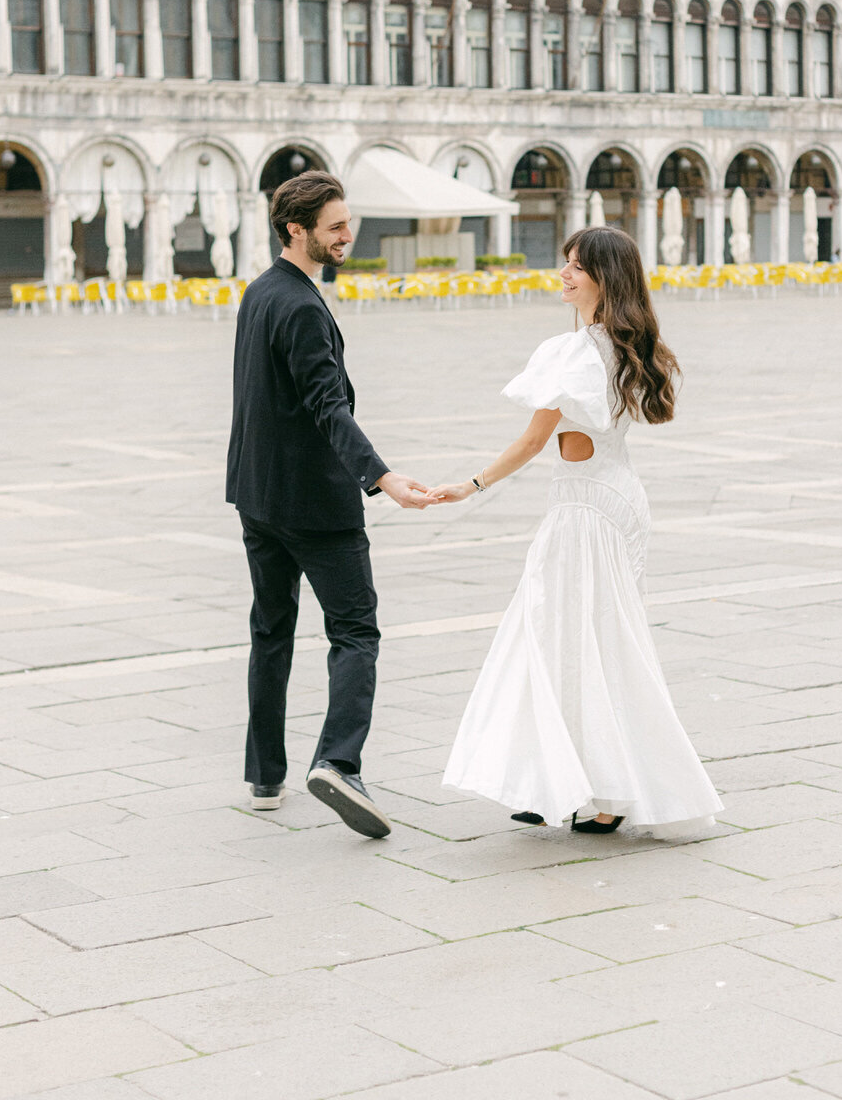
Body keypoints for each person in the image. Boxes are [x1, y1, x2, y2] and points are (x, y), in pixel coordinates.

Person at [433, 226, 723, 838]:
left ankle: (594, 789)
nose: (563, 273)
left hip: (584, 512)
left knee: (565, 638)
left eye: (577, 266)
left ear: (604, 279)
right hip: (612, 499)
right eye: (564, 262)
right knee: (584, 638)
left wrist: (472, 485)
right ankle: (562, 780)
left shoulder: (574, 353)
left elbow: (534, 441)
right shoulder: (625, 346)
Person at [226, 169, 434, 837]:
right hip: (313, 503)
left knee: (270, 631)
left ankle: (264, 776)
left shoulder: (261, 292)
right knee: (355, 631)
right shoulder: (303, 307)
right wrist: (381, 476)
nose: (349, 235)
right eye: (336, 227)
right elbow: (327, 407)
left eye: (349, 223)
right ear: (297, 230)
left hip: (257, 495)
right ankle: (338, 763)